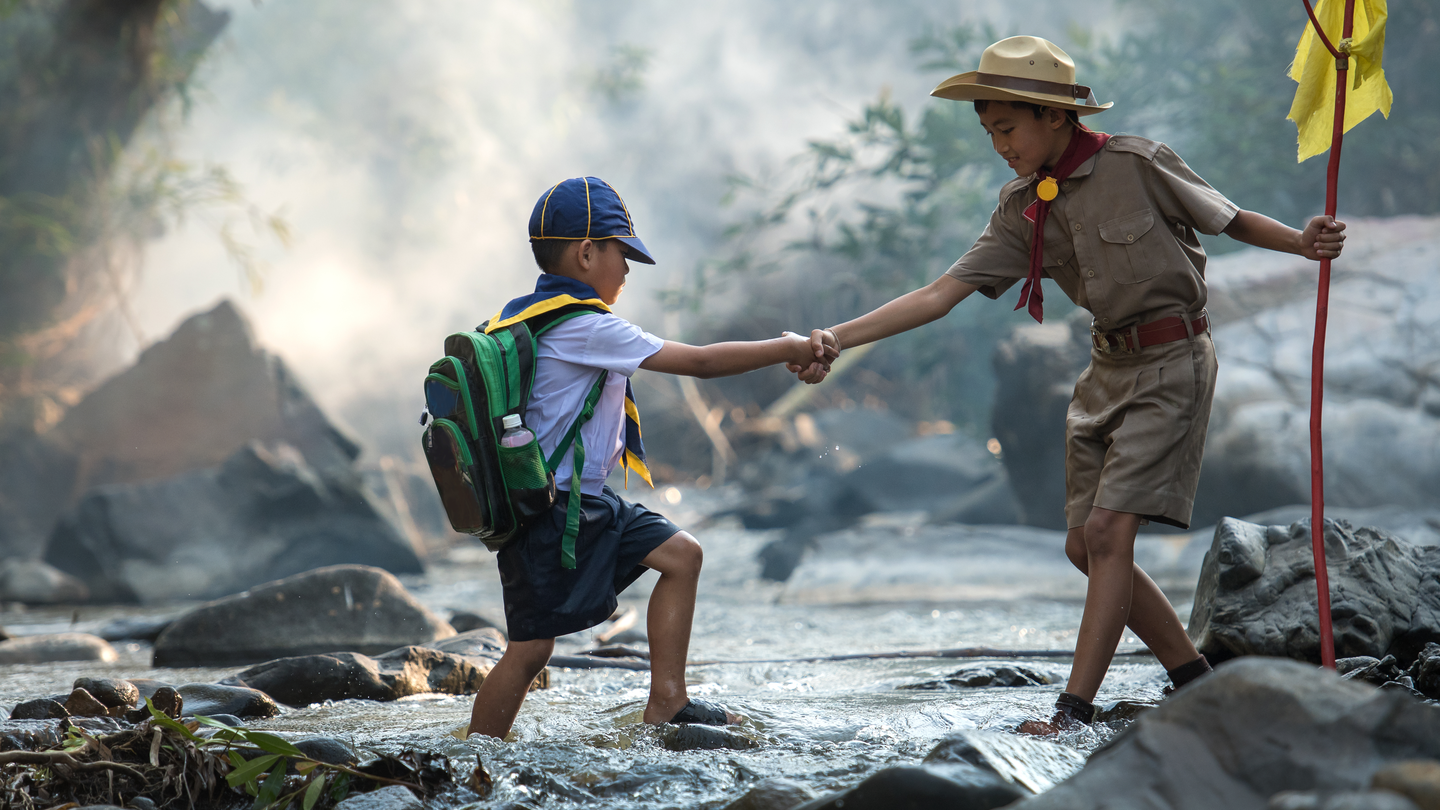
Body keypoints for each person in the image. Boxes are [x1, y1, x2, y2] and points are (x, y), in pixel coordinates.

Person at [788, 36, 1347, 735]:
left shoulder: (1137, 162)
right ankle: (1194, 680)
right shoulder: (1023, 206)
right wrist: (839, 337)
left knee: (1112, 534)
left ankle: (1072, 712)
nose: (999, 144)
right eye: (989, 130)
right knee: (1083, 547)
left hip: (1172, 363)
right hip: (1102, 373)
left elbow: (1228, 218)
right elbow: (939, 294)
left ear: (1056, 116)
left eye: (1008, 127)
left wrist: (1302, 240)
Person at [467, 176, 834, 740]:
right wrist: (785, 347)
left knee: (682, 556)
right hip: (554, 513)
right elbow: (703, 363)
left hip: (585, 503)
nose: (628, 269)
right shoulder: (585, 325)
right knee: (530, 649)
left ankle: (667, 699)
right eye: (622, 253)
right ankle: (476, 758)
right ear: (587, 253)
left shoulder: (527, 315)